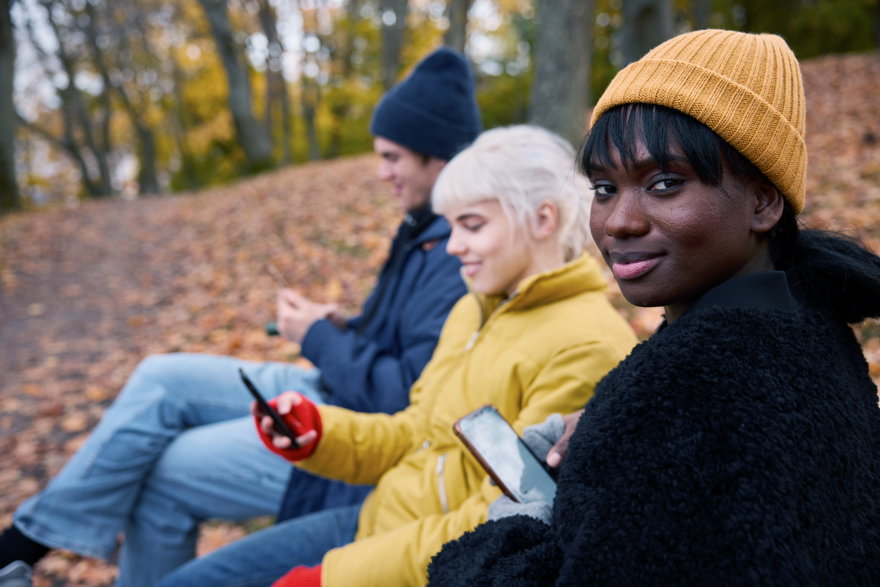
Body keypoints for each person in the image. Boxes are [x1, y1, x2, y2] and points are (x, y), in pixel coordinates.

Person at [0, 47, 481, 586]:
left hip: (353, 426)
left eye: (392, 157)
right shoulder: (423, 227)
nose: (379, 172)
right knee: (161, 376)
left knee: (159, 473)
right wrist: (340, 323)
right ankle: (28, 539)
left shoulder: (453, 253)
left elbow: (404, 392)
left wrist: (317, 335)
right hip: (332, 383)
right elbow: (400, 341)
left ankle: (25, 547)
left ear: (437, 157)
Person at [428, 29, 880, 585]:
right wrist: (604, 452)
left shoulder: (685, 391)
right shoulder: (812, 325)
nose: (620, 221)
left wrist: (516, 524)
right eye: (603, 188)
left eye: (665, 183)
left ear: (764, 201)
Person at [155, 124, 638, 586]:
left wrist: (336, 578)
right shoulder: (472, 310)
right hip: (377, 523)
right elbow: (414, 433)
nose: (453, 246)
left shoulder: (586, 347)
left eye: (471, 226)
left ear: (542, 219)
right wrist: (318, 433)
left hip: (423, 565)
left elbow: (507, 520)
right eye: (450, 227)